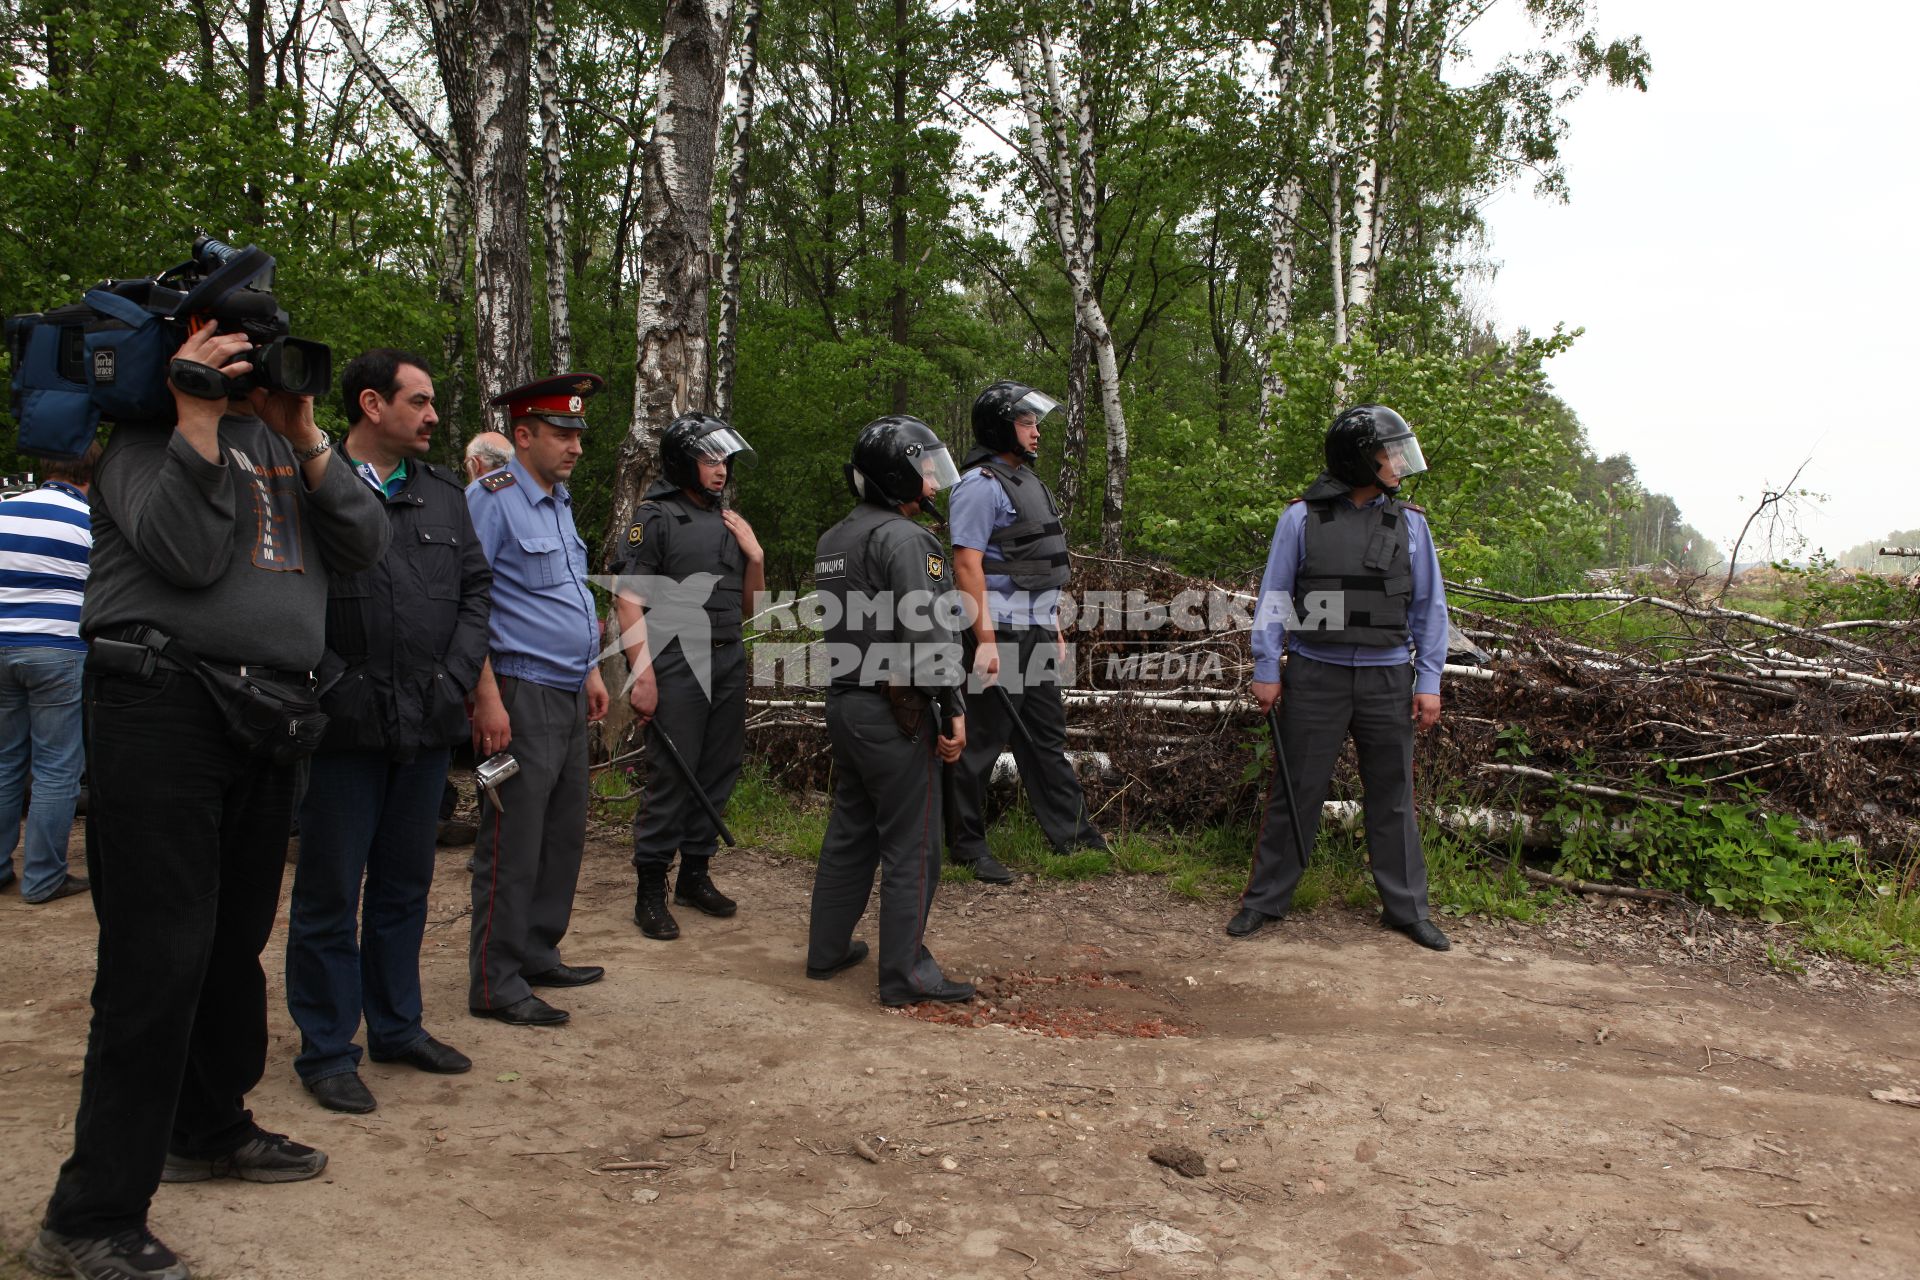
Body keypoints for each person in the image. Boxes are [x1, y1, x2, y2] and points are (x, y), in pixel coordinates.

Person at [31, 316, 389, 1280]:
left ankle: (208, 1127)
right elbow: (187, 556)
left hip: (265, 716)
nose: (252, 371)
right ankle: (89, 1215)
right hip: (162, 707)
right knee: (157, 960)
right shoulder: (141, 449)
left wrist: (305, 435)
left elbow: (364, 542)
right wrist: (193, 419)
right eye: (227, 355)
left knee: (231, 945)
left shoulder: (281, 445)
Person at [283, 350, 491, 1115]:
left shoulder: (445, 495)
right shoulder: (310, 484)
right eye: (420, 401)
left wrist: (455, 679)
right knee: (330, 895)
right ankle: (328, 1049)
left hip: (427, 722)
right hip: (344, 727)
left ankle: (398, 1027)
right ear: (372, 404)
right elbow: (288, 592)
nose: (435, 416)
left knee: (405, 888)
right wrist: (337, 683)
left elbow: (476, 590)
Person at [1233, 405, 1452, 951]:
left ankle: (1406, 909)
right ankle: (1265, 901)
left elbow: (1429, 609)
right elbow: (1275, 598)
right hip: (1314, 676)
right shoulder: (1300, 519)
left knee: (1393, 796)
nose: (1399, 465)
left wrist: (1429, 680)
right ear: (1358, 460)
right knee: (1295, 790)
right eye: (1388, 455)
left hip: (1387, 680)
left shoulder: (1412, 525)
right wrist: (1267, 666)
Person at [806, 416, 974, 1006]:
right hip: (897, 711)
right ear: (897, 473)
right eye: (926, 470)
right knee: (914, 843)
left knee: (851, 831)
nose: (933, 482)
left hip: (847, 704)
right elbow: (929, 636)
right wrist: (952, 708)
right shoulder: (907, 541)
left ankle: (826, 950)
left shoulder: (835, 539)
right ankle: (906, 976)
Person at [464, 373, 610, 1027]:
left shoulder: (557, 498)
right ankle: (495, 981)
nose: (575, 445)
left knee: (561, 834)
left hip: (568, 688)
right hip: (519, 692)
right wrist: (486, 695)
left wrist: (593, 672)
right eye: (561, 433)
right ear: (522, 436)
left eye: (578, 432)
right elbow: (467, 603)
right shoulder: (491, 497)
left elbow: (567, 595)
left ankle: (536, 950)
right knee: (513, 840)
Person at [609, 413, 763, 940]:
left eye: (724, 460)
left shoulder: (728, 521)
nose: (720, 471)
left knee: (719, 767)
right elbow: (627, 600)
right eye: (709, 459)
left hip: (726, 655)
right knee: (673, 774)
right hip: (674, 657)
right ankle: (650, 888)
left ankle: (694, 875)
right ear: (683, 463)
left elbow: (749, 609)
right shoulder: (655, 517)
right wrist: (643, 673)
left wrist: (756, 556)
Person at [945, 381, 1105, 883]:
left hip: (1034, 630)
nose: (1036, 432)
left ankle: (1075, 837)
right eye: (1027, 423)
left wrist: (1053, 625)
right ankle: (967, 846)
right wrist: (985, 642)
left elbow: (1037, 564)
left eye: (1036, 423)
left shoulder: (1028, 482)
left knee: (1045, 738)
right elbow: (966, 565)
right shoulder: (979, 485)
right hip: (998, 634)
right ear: (1000, 429)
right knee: (981, 745)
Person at [0, 445, 99, 903]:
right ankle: (43, 877)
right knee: (57, 768)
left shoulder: (6, 510)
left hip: (1, 644)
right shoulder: (88, 521)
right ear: (92, 474)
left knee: (4, 762)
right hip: (58, 649)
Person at [433, 430, 516, 850]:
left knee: (491, 746)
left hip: (481, 651)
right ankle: (485, 832)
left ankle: (491, 835)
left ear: (474, 465)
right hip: (494, 651)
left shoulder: (475, 500)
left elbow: (465, 586)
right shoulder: (518, 499)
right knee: (494, 747)